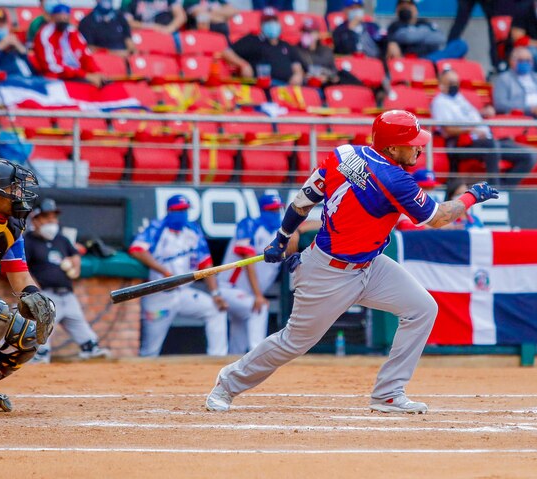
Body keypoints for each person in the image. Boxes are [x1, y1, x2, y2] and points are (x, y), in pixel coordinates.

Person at [205, 110, 499, 414]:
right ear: (391, 147)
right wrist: (471, 196)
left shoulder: (344, 153)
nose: (419, 148)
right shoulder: (395, 179)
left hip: (370, 265)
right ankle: (227, 385)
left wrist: (282, 236)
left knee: (422, 308)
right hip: (328, 273)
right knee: (294, 341)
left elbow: (304, 199)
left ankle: (388, 393)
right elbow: (438, 218)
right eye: (412, 143)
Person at [0, 159, 56, 413]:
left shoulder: (12, 224)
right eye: (13, 190)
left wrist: (34, 296)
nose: (20, 195)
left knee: (27, 332)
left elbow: (19, 273)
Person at [128, 194, 228, 357]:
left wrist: (215, 294)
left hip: (183, 293)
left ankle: (217, 359)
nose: (183, 213)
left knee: (215, 309)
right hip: (159, 294)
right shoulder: (157, 227)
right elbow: (137, 250)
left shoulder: (192, 229)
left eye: (185, 210)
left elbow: (206, 263)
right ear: (169, 210)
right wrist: (164, 271)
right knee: (150, 350)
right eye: (179, 210)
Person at [24, 198, 111, 363]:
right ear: (35, 219)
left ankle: (90, 347)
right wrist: (35, 291)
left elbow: (75, 254)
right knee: (43, 330)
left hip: (67, 294)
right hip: (46, 295)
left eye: (53, 217)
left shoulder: (61, 239)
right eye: (46, 217)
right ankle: (39, 354)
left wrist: (75, 267)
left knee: (78, 322)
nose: (51, 221)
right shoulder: (28, 241)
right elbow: (23, 269)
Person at [218, 193, 297, 354]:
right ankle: (258, 355)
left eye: (278, 209)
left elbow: (306, 223)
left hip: (247, 294)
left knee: (238, 342)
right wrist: (258, 295)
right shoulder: (249, 224)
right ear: (263, 210)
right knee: (259, 309)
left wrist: (296, 231)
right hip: (229, 289)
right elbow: (248, 260)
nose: (275, 213)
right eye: (272, 210)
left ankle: (233, 368)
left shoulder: (279, 234)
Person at [432, 69, 537, 186]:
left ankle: (504, 188)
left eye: (456, 82)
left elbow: (469, 117)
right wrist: (470, 130)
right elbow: (447, 130)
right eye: (451, 83)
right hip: (463, 144)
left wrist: (483, 112)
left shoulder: (459, 98)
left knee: (530, 154)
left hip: (486, 139)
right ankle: (495, 186)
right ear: (441, 85)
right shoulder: (440, 102)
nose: (454, 85)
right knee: (491, 146)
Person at [222, 7, 304, 86]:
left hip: (286, 87)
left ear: (279, 23)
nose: (271, 24)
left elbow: (296, 64)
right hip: (262, 86)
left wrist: (298, 74)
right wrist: (243, 64)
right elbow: (226, 52)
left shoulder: (285, 45)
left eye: (274, 20)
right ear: (261, 25)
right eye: (267, 21)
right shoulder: (252, 40)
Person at [33, 4, 105, 87]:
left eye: (65, 17)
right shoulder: (45, 34)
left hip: (78, 75)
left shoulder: (72, 31)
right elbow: (53, 67)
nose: (63, 19)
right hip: (56, 79)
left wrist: (96, 72)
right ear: (52, 18)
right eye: (59, 17)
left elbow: (86, 56)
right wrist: (85, 75)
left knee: (104, 84)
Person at [386, 0, 468, 62]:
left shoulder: (424, 23)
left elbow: (441, 39)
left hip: (434, 55)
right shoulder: (395, 25)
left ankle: (434, 62)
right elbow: (408, 37)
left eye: (410, 5)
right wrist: (427, 32)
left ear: (416, 10)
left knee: (460, 45)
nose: (406, 8)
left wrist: (417, 33)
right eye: (403, 7)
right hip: (415, 59)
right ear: (397, 10)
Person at [493, 46, 537, 117]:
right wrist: (528, 110)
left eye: (528, 60)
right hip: (521, 118)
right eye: (521, 60)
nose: (525, 63)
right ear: (511, 61)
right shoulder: (504, 78)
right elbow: (500, 104)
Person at [122, 0, 187, 34]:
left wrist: (168, 29)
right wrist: (152, 26)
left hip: (165, 35)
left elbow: (181, 17)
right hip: (142, 35)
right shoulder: (130, 1)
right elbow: (128, 22)